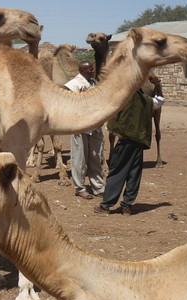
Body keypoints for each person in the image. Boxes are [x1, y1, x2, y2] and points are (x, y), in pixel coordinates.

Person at [94, 75, 165, 216]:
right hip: (138, 143)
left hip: (125, 142)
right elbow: (160, 101)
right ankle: (126, 206)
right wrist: (158, 86)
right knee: (134, 174)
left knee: (117, 173)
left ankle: (106, 205)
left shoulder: (121, 99)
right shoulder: (145, 100)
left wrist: (116, 132)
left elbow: (111, 122)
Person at [64, 61, 104, 199]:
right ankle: (79, 187)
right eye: (90, 69)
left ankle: (98, 187)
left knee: (96, 157)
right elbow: (70, 104)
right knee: (79, 158)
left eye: (93, 69)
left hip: (95, 125)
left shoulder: (94, 84)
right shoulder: (73, 85)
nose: (92, 71)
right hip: (80, 126)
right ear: (82, 70)